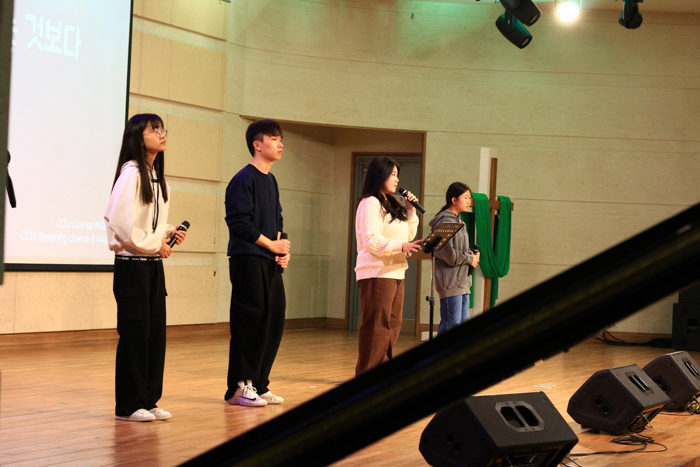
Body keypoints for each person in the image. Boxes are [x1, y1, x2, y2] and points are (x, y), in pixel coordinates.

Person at [105, 113, 186, 422]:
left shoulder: (156, 176)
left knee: (154, 336)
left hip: (151, 267)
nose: (162, 134)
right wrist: (156, 244)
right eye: (155, 130)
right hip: (132, 266)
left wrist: (168, 231)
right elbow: (122, 226)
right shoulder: (130, 174)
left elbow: (146, 223)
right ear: (139, 138)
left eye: (163, 129)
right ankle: (129, 404)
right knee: (135, 336)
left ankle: (149, 400)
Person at [224, 119, 290, 407]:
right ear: (257, 144)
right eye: (274, 139)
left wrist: (282, 249)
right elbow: (239, 222)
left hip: (269, 261)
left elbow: (277, 220)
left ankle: (260, 384)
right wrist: (270, 244)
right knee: (249, 322)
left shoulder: (270, 180)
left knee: (273, 319)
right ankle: (240, 386)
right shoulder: (244, 179)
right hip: (248, 260)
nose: (280, 144)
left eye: (280, 139)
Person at [354, 156, 421, 375]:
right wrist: (401, 246)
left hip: (396, 271)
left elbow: (408, 236)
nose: (397, 179)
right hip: (377, 272)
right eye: (392, 174)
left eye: (397, 174)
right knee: (377, 327)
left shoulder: (391, 202)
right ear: (379, 175)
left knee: (392, 325)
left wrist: (410, 210)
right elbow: (371, 240)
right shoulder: (370, 203)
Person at [428, 182, 480, 335]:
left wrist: (471, 255)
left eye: (469, 198)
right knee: (451, 325)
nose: (469, 201)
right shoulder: (445, 221)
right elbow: (448, 254)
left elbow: (461, 249)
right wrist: (469, 259)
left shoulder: (460, 222)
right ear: (454, 200)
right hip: (450, 281)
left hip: (463, 281)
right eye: (465, 197)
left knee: (462, 325)